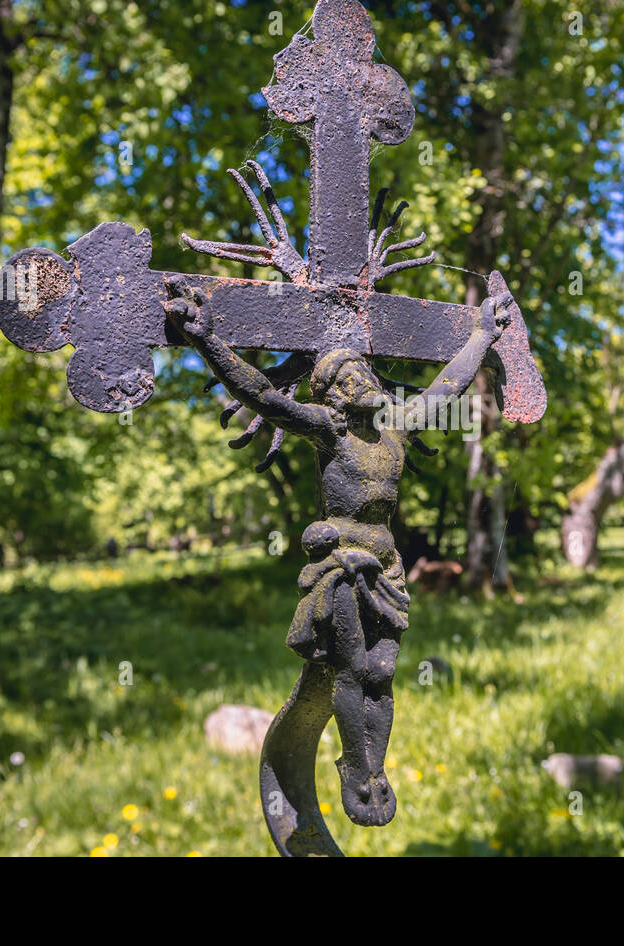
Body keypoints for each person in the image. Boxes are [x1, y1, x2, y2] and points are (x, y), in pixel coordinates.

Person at [164, 275, 514, 825]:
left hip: (388, 567)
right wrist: (207, 339)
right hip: (344, 567)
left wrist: (479, 337)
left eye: (363, 371)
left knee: (381, 673)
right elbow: (261, 395)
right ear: (330, 395)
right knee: (352, 670)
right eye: (346, 378)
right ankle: (360, 770)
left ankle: (373, 763)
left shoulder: (394, 428)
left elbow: (446, 389)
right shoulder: (330, 431)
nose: (361, 380)